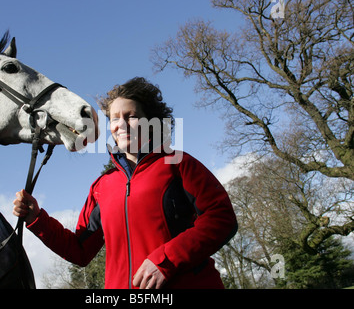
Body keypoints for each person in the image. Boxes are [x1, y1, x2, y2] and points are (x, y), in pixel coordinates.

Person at [13, 77, 237, 289]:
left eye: (131, 116)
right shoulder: (102, 186)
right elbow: (79, 250)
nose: (121, 124)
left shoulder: (178, 164)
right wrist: (37, 219)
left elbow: (222, 218)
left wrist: (167, 260)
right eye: (114, 118)